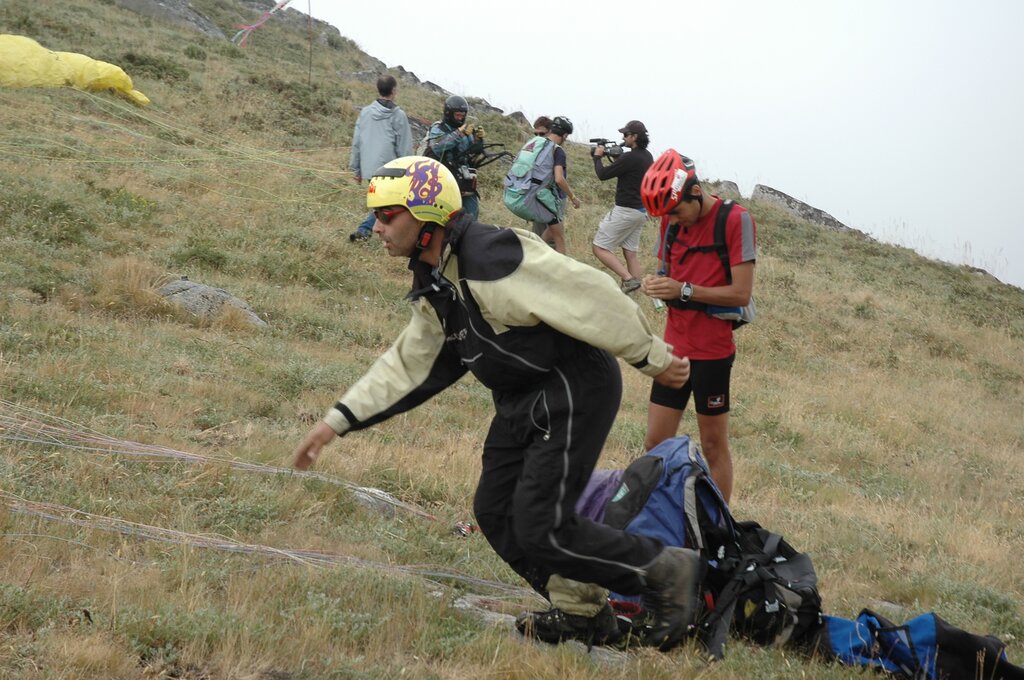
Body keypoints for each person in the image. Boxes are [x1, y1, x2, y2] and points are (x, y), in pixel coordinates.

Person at [292, 155, 700, 651]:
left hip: (573, 387)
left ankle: (664, 570)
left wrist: (654, 357)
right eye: (376, 216)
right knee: (496, 510)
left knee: (540, 523)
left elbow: (589, 291)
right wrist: (337, 422)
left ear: (427, 214)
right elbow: (409, 365)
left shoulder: (492, 256)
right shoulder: (435, 282)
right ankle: (584, 613)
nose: (377, 226)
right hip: (521, 399)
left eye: (387, 214)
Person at [639, 150, 757, 504]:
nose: (671, 221)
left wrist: (684, 291)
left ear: (694, 192)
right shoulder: (669, 221)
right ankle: (656, 518)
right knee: (655, 443)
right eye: (664, 216)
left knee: (712, 445)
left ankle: (720, 528)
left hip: (712, 353)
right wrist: (657, 285)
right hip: (673, 349)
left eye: (675, 212)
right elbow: (668, 274)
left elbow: (741, 292)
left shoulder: (736, 220)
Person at [591, 120, 654, 293]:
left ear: (634, 137)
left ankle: (628, 280)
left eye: (626, 134)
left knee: (599, 247)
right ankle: (635, 292)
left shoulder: (630, 157)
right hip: (641, 212)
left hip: (625, 210)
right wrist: (617, 158)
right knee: (630, 252)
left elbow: (603, 175)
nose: (623, 137)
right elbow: (629, 170)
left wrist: (597, 157)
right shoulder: (647, 156)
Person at [348, 75, 413, 241]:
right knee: (387, 203)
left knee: (383, 202)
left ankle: (370, 231)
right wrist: (409, 172)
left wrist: (356, 170)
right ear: (393, 91)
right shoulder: (398, 115)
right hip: (391, 169)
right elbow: (404, 147)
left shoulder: (365, 112)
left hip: (369, 169)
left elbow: (357, 142)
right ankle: (365, 231)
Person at [425, 95, 485, 219]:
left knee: (472, 213)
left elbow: (472, 151)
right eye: (457, 115)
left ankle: (468, 235)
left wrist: (478, 140)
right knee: (444, 213)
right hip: (443, 176)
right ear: (448, 113)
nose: (460, 118)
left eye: (463, 116)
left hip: (464, 177)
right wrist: (459, 134)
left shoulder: (465, 131)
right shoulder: (438, 128)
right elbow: (438, 146)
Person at [533, 115, 580, 254]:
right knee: (557, 238)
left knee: (546, 235)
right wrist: (573, 197)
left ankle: (534, 253)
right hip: (551, 198)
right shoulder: (557, 150)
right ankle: (561, 271)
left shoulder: (535, 146)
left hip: (536, 196)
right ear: (565, 135)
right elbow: (559, 179)